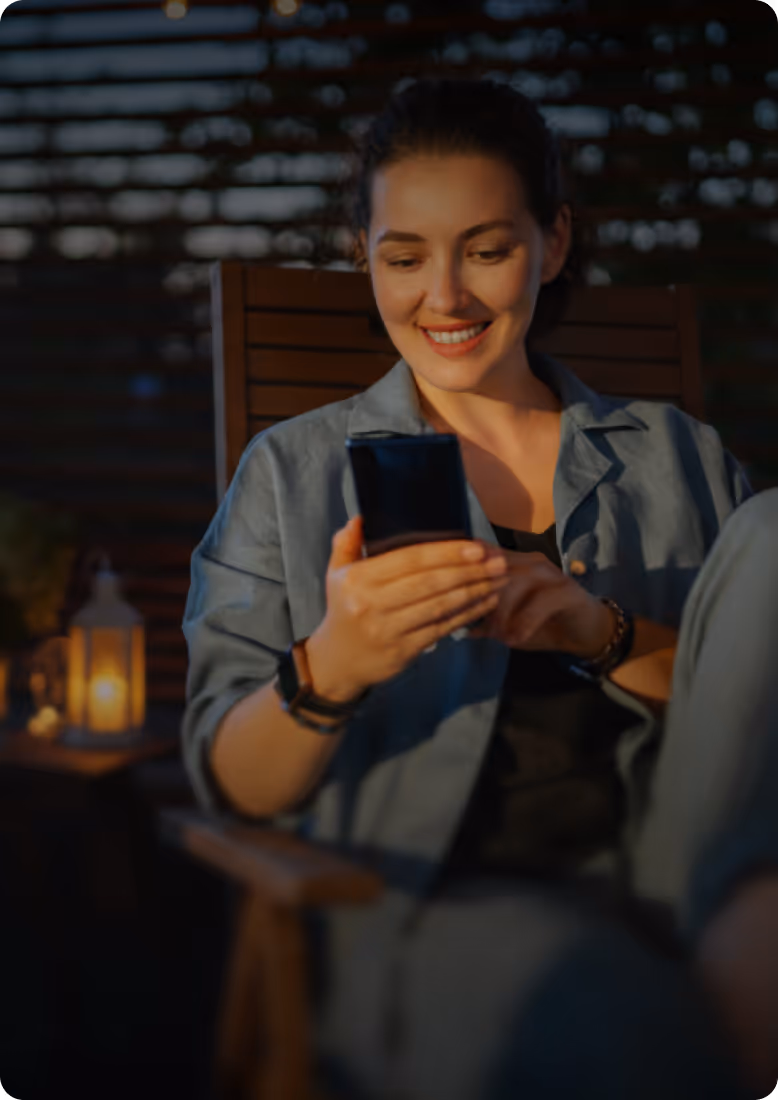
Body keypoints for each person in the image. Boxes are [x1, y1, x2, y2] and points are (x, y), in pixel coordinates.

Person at [181, 77, 778, 1099]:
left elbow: (747, 700)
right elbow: (229, 780)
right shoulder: (293, 471)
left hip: (686, 870)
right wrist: (333, 666)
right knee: (620, 1012)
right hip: (441, 909)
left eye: (487, 250)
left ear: (552, 242)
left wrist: (603, 631)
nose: (443, 297)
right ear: (363, 254)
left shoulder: (678, 454)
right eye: (403, 255)